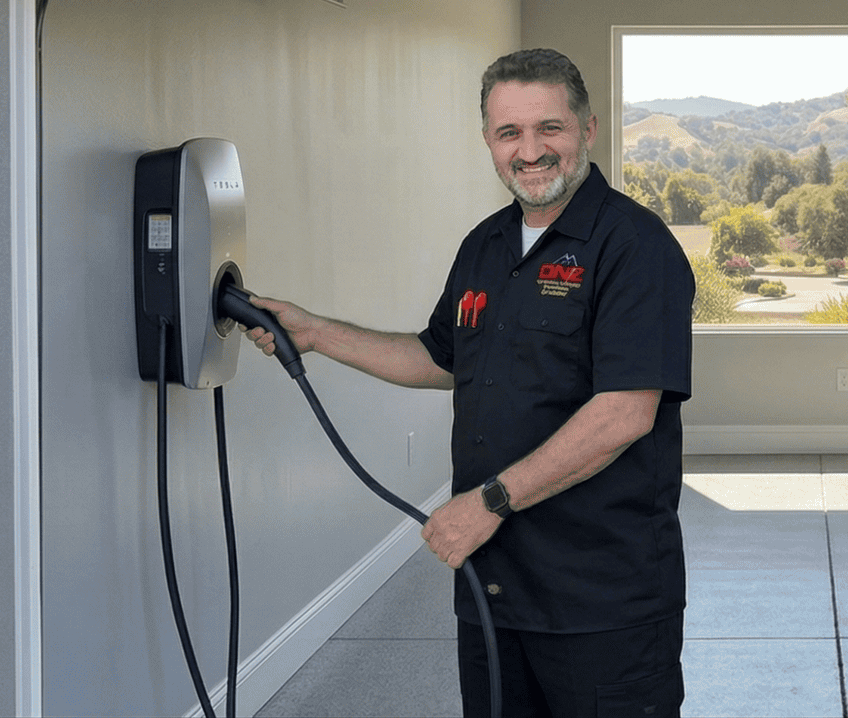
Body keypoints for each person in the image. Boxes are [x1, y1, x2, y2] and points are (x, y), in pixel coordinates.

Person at [245, 48, 696, 718]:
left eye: (550, 128)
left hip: (602, 601)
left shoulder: (632, 245)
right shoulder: (485, 246)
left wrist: (485, 504)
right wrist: (315, 333)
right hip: (494, 592)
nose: (530, 151)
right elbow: (442, 355)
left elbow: (625, 412)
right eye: (509, 132)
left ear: (588, 129)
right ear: (487, 139)